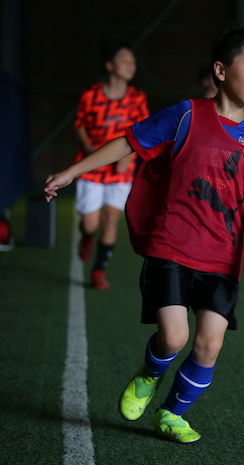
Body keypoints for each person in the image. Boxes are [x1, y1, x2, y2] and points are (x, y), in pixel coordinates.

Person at [44, 25, 244, 443]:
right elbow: (128, 143)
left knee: (209, 344)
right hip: (172, 244)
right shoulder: (186, 114)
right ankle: (151, 371)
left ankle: (172, 413)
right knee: (174, 336)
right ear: (220, 71)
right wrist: (72, 172)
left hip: (222, 255)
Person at [73, 39, 149, 290]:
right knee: (90, 224)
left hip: (121, 171)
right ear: (109, 65)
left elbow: (144, 133)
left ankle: (98, 271)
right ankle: (87, 236)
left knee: (111, 220)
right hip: (92, 168)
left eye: (132, 61)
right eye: (124, 60)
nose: (130, 65)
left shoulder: (137, 99)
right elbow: (79, 124)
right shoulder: (91, 95)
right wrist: (88, 148)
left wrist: (128, 158)